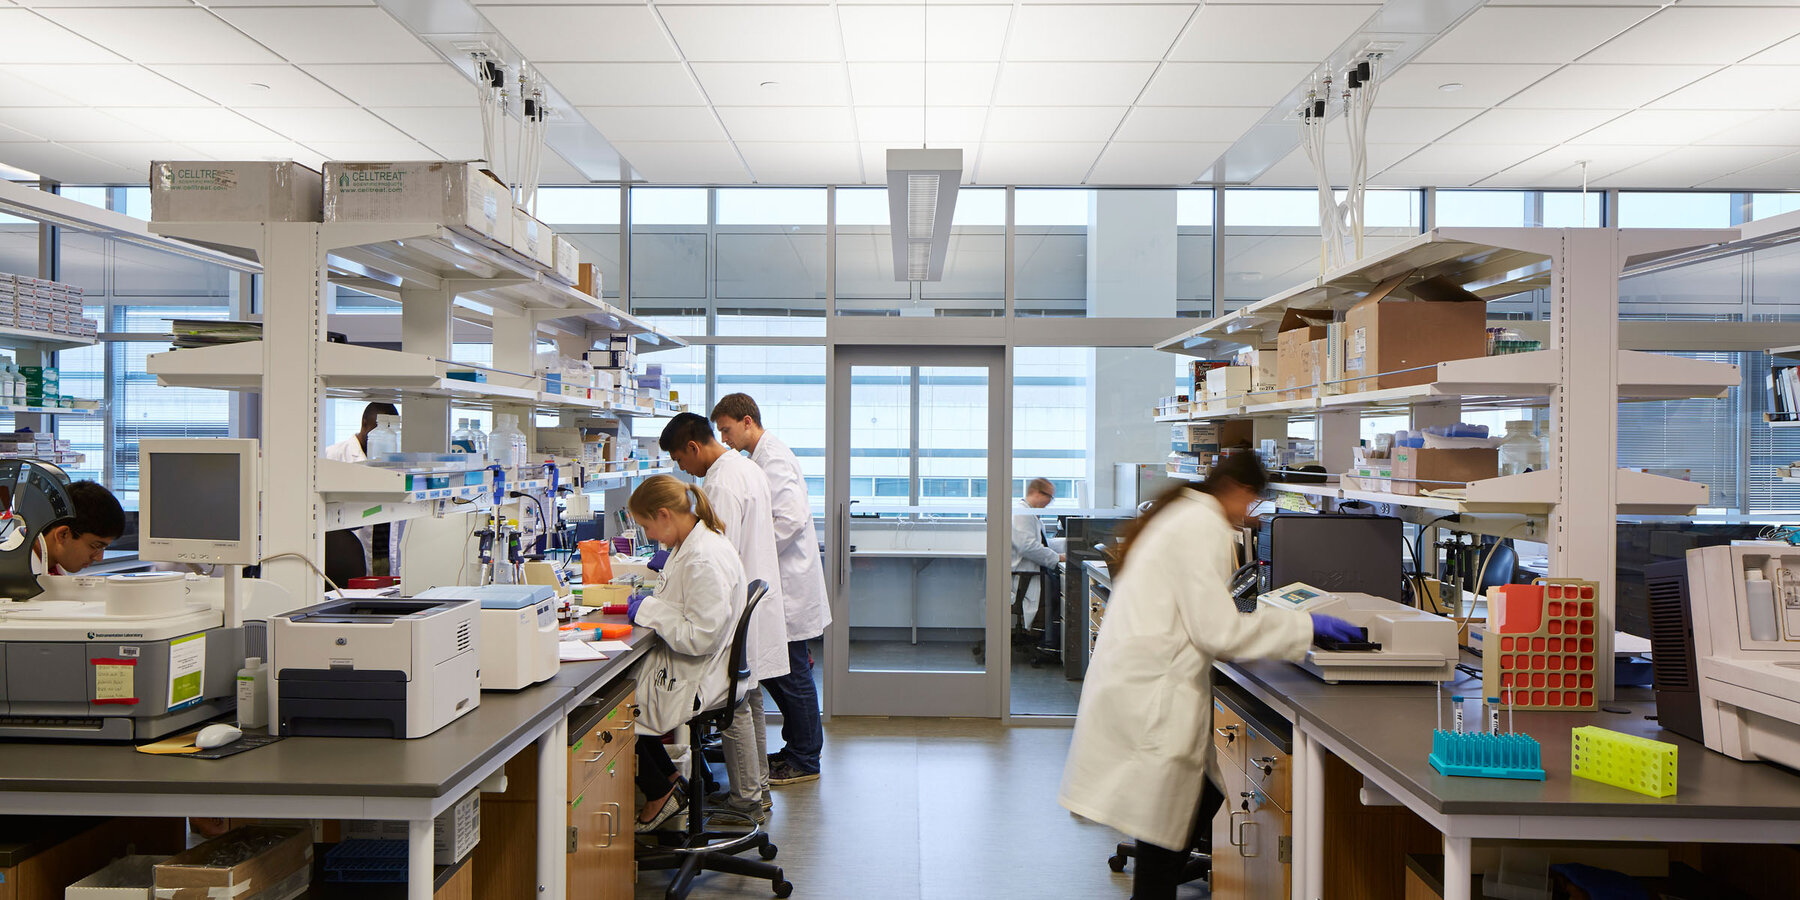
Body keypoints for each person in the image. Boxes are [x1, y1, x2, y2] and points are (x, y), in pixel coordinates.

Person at [1058, 453, 1359, 900]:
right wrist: (1306, 626)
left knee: (1175, 819)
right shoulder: (1204, 527)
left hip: (1140, 686)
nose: (1249, 513)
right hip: (1152, 696)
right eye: (1252, 501)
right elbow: (1219, 632)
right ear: (1239, 490)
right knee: (1173, 823)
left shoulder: (1183, 512)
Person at [660, 413, 788, 825]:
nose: (682, 469)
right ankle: (756, 791)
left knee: (734, 699)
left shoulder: (720, 481)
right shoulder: (743, 467)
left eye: (681, 459)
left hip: (734, 602)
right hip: (751, 595)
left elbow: (716, 552)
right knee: (748, 698)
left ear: (694, 447)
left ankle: (747, 799)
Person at [711, 393, 829, 786]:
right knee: (789, 671)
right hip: (781, 580)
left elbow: (791, 519)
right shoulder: (760, 457)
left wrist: (754, 549)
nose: (724, 439)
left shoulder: (773, 457)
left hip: (788, 581)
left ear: (747, 421)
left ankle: (805, 758)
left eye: (727, 429)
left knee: (791, 673)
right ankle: (799, 748)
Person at [623, 475, 749, 833]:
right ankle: (666, 782)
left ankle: (660, 789)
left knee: (609, 710)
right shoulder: (694, 544)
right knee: (616, 700)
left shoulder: (702, 558)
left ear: (664, 514)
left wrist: (649, 610)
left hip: (699, 675)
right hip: (699, 668)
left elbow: (700, 636)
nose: (649, 536)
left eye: (647, 525)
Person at [323, 402, 398, 578]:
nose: (385, 437)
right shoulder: (333, 456)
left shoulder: (396, 460)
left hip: (386, 558)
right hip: (346, 560)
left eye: (391, 430)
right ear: (364, 423)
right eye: (378, 429)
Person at [1011, 477, 1064, 648]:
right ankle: (1047, 644)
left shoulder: (1030, 513)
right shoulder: (1021, 513)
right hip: (1025, 576)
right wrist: (1058, 558)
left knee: (1060, 589)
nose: (1050, 502)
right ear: (1035, 492)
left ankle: (1047, 641)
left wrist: (1066, 544)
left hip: (1032, 572)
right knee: (1061, 595)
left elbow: (1040, 543)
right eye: (1049, 496)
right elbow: (1028, 547)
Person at [32, 480, 124, 575]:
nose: (99, 558)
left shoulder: (52, 569)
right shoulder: (17, 577)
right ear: (63, 534)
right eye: (96, 546)